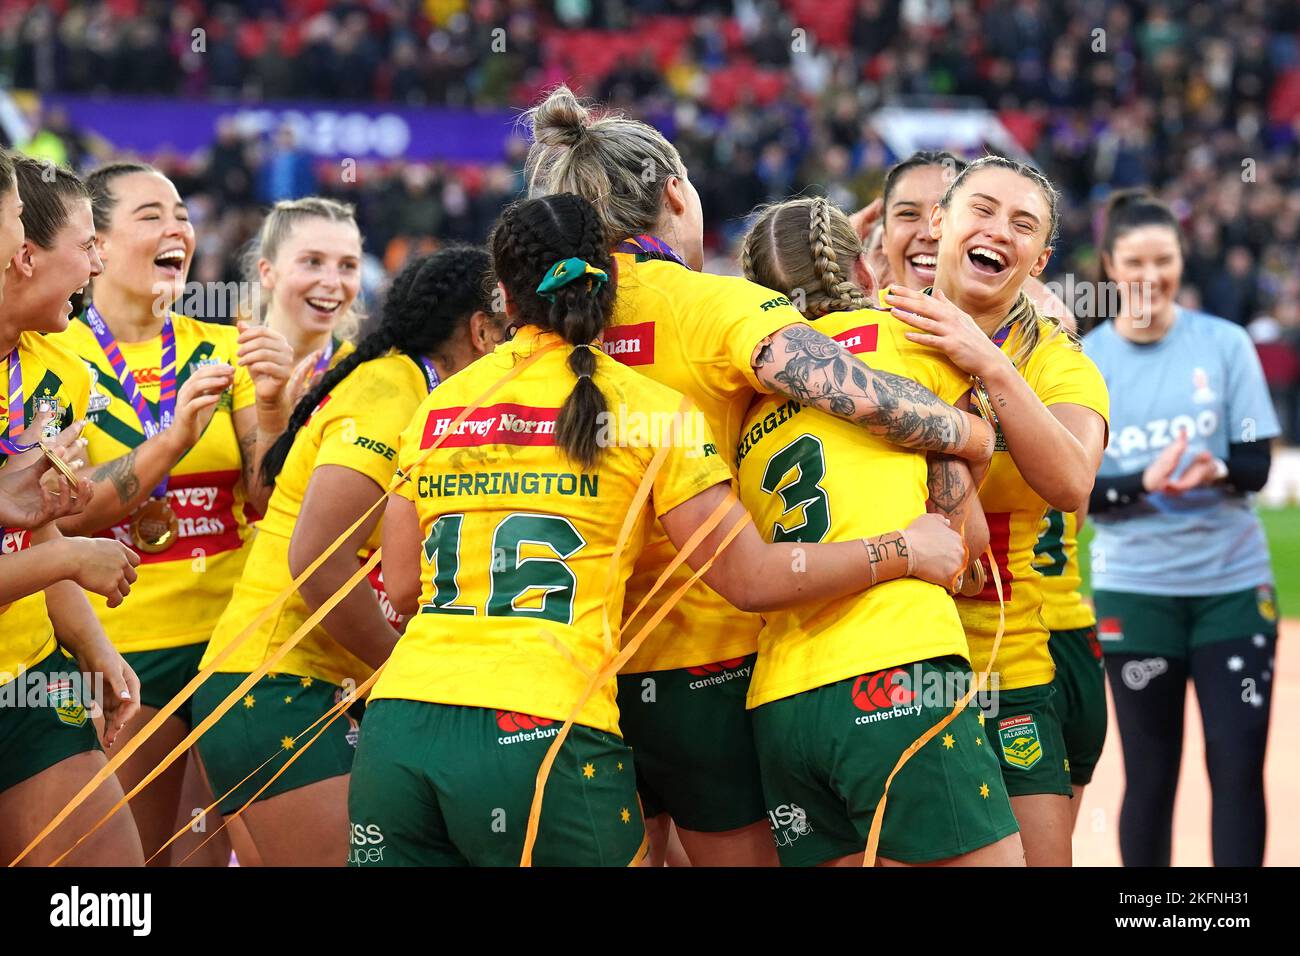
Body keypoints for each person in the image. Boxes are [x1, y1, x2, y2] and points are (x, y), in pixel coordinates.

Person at [347, 192, 968, 867]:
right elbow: (752, 578)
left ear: (502, 297)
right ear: (611, 278)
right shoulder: (648, 410)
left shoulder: (441, 405)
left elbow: (404, 585)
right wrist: (903, 548)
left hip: (401, 725)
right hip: (544, 721)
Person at [523, 86, 994, 865]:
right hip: (715, 664)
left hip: (575, 674)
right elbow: (855, 392)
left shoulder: (540, 325)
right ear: (676, 190)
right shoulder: (714, 306)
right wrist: (969, 431)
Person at [736, 195, 1024, 866]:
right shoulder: (913, 336)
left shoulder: (745, 391)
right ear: (863, 270)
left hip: (779, 701)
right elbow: (960, 540)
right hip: (894, 665)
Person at [194, 247, 503, 866]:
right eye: (511, 330)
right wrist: (402, 676)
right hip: (279, 689)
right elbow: (318, 560)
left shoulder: (410, 384)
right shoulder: (393, 393)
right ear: (479, 329)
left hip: (277, 688)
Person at [52, 162, 297, 865]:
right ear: (95, 243)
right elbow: (58, 515)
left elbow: (264, 495)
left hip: (235, 641)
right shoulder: (52, 353)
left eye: (183, 214)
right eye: (152, 216)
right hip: (124, 646)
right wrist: (172, 442)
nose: (178, 230)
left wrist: (276, 404)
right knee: (136, 865)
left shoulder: (224, 348)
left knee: (225, 855)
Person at [886, 156, 1110, 866]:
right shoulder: (864, 336)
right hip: (889, 656)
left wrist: (988, 363)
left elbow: (1074, 483)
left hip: (1006, 662)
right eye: (981, 210)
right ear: (941, 224)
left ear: (1040, 260)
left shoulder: (1058, 360)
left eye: (1023, 225)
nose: (998, 232)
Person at [1084, 189, 1279, 867]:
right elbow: (1078, 494)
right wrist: (1145, 480)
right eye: (1135, 260)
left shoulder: (1224, 344)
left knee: (1236, 769)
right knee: (1149, 775)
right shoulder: (1085, 363)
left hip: (1232, 587)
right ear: (1109, 266)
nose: (1149, 275)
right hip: (1135, 592)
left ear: (1180, 259)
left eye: (1163, 259)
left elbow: (1255, 467)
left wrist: (1214, 469)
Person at [0, 151, 144, 867]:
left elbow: (35, 525)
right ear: (23, 254)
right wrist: (73, 557)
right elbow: (55, 544)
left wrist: (93, 646)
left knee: (107, 896)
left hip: (25, 678)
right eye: (87, 245)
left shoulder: (55, 368)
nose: (96, 265)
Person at [245, 197, 364, 380]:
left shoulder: (367, 378)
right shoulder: (223, 372)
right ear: (267, 273)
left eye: (347, 265)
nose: (332, 282)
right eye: (313, 262)